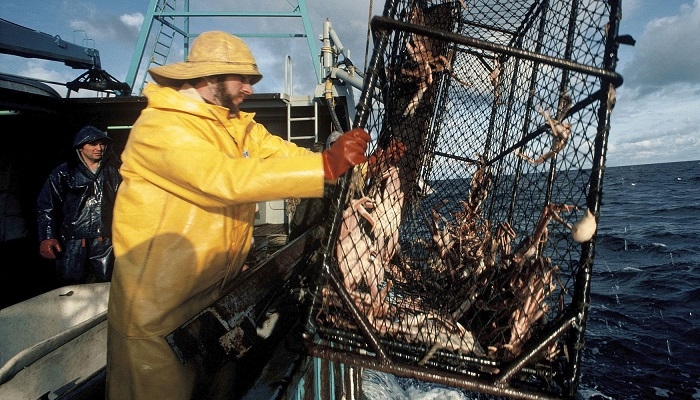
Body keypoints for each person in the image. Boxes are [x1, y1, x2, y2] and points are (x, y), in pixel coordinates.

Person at [105, 30, 371, 399]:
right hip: (156, 319)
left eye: (252, 79)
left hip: (213, 304)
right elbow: (225, 179)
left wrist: (348, 162)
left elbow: (282, 155)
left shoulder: (238, 126)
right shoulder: (160, 128)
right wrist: (323, 167)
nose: (249, 87)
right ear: (209, 76)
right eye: (242, 78)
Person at [36, 125, 121, 285]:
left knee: (107, 285)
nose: (99, 148)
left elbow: (128, 205)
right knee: (70, 285)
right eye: (93, 144)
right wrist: (47, 237)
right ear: (80, 147)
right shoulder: (63, 172)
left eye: (102, 144)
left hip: (106, 241)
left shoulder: (115, 172)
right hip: (72, 241)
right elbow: (47, 206)